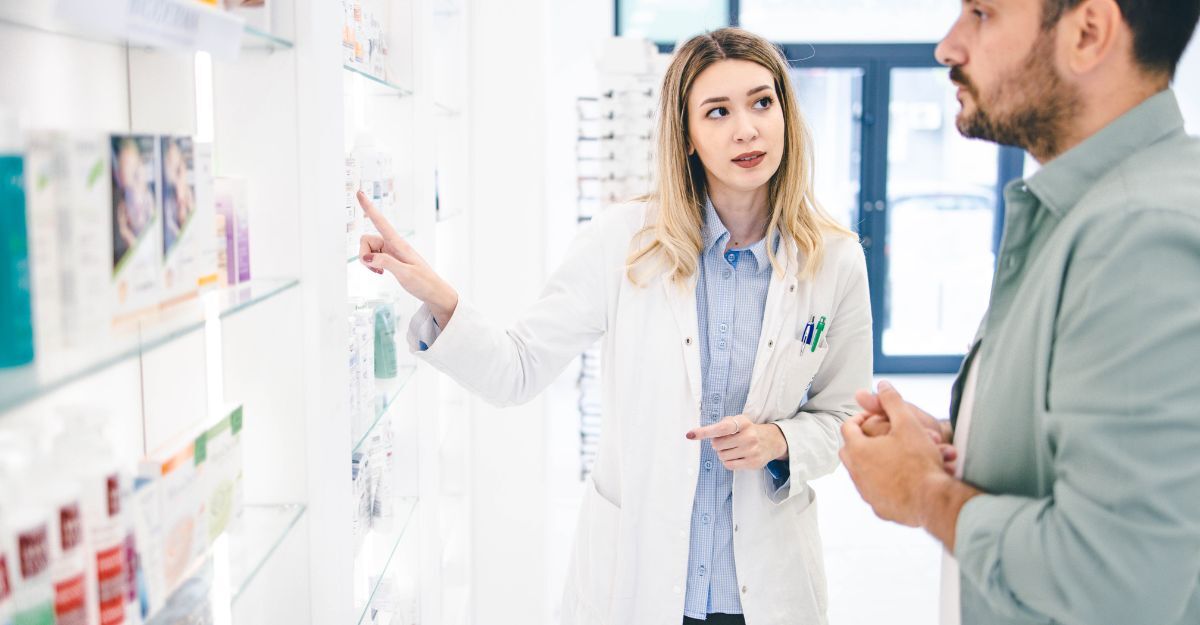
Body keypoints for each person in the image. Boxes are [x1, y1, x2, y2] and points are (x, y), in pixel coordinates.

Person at [355, 27, 872, 625]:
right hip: (639, 581)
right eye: (717, 112)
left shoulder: (833, 259)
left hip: (764, 588)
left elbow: (847, 418)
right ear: (686, 136)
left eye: (762, 102)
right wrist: (436, 293)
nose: (747, 129)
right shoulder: (624, 242)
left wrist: (779, 442)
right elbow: (516, 370)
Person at [838, 1, 1200, 624]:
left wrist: (923, 493)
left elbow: (1115, 580)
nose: (948, 47)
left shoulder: (1140, 235)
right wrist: (971, 446)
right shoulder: (1086, 213)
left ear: (1088, 33)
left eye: (981, 13)